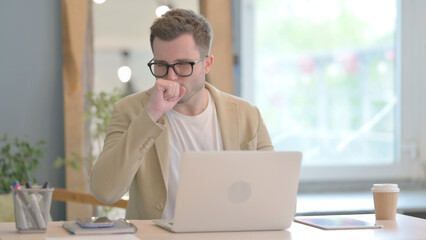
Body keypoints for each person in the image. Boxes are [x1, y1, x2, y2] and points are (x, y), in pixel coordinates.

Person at [90, 8, 273, 220]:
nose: (170, 77)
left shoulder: (248, 115)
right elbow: (105, 192)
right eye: (161, 65)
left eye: (183, 65)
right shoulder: (129, 111)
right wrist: (151, 114)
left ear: (207, 64)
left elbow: (274, 196)